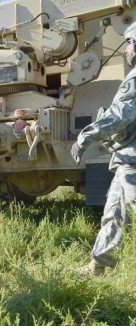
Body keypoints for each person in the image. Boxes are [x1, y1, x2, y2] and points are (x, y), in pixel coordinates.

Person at [71, 21, 136, 276]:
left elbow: (121, 115)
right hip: (128, 160)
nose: (127, 48)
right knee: (115, 213)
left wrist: (84, 137)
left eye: (130, 42)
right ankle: (99, 265)